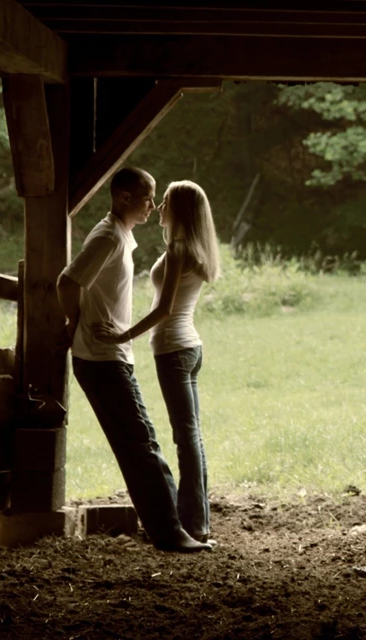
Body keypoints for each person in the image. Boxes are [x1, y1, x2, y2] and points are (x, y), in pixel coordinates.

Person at [56, 167, 211, 553]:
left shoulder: (123, 237)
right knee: (142, 444)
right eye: (147, 197)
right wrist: (73, 324)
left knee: (138, 444)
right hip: (102, 356)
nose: (153, 205)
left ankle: (170, 526)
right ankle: (171, 531)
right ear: (124, 198)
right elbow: (67, 280)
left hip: (114, 354)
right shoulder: (109, 236)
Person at [93, 179, 221, 545]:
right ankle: (195, 519)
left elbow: (164, 310)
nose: (158, 206)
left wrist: (121, 336)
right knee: (190, 436)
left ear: (178, 209)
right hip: (189, 348)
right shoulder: (194, 248)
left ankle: (193, 524)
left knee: (186, 438)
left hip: (174, 351)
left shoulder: (180, 249)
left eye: (164, 201)